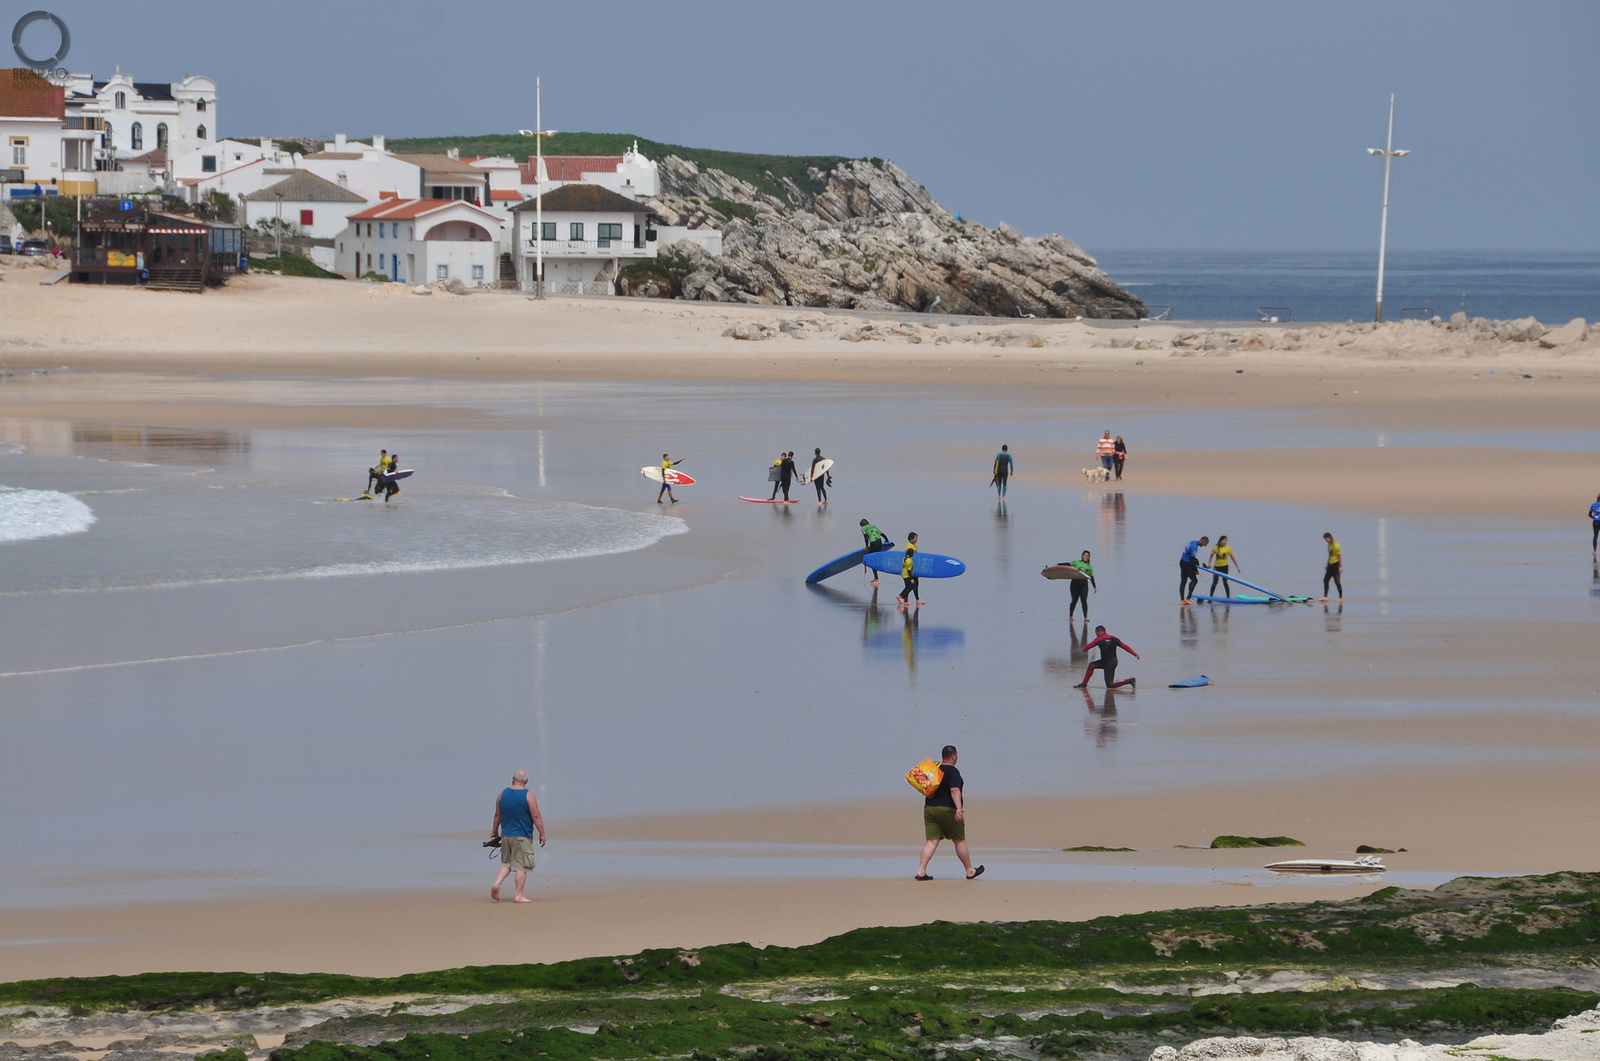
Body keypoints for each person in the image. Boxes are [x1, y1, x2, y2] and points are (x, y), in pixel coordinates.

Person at [914, 745, 983, 881]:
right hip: (947, 809)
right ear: (954, 756)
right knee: (959, 841)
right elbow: (955, 790)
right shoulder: (953, 772)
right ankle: (970, 870)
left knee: (931, 841)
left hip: (930, 809)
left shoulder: (934, 770)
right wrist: (959, 808)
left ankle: (921, 872)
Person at [489, 769, 546, 903]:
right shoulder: (528, 795)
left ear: (513, 779)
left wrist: (494, 831)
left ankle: (497, 883)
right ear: (526, 781)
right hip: (522, 836)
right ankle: (518, 895)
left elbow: (497, 815)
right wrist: (542, 833)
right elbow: (536, 815)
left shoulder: (503, 794)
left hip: (506, 835)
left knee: (507, 863)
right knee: (521, 866)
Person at [1074, 625, 1139, 689]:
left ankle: (1130, 680)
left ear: (1099, 631)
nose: (1096, 635)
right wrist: (1135, 654)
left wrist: (1084, 649)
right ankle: (1083, 684)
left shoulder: (1099, 639)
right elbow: (1125, 647)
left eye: (1096, 633)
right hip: (1110, 661)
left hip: (1109, 663)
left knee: (1110, 685)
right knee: (1092, 665)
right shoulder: (1114, 638)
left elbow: (1086, 647)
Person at [1066, 549, 1096, 620]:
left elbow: (1091, 576)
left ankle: (1085, 617)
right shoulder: (1077, 562)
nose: (1085, 557)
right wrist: (1058, 565)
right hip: (1075, 583)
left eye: (1087, 556)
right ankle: (1071, 615)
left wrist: (1094, 587)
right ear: (1082, 556)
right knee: (1074, 600)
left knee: (1084, 600)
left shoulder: (1089, 566)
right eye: (1084, 555)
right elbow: (1068, 564)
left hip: (1084, 584)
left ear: (1089, 557)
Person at [1179, 535, 1209, 604]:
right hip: (1186, 564)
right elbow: (1192, 561)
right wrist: (1196, 570)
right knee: (1194, 580)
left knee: (1183, 582)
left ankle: (1182, 600)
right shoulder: (1194, 547)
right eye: (1205, 544)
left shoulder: (1193, 542)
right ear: (1203, 541)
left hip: (1182, 562)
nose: (1204, 546)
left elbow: (1192, 559)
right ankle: (1188, 598)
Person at [860, 518, 888, 585]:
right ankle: (876, 578)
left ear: (862, 525)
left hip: (873, 543)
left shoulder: (863, 528)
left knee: (872, 560)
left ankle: (876, 579)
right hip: (879, 543)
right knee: (876, 559)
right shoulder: (874, 526)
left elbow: (866, 537)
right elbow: (882, 534)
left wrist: (866, 546)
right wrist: (887, 541)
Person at [897, 531, 921, 607]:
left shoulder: (913, 546)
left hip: (913, 568)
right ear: (911, 538)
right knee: (912, 585)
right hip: (910, 569)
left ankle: (914, 599)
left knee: (911, 585)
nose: (917, 539)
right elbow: (910, 561)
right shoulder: (909, 547)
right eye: (916, 538)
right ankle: (903, 597)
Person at [1319, 532, 1343, 602]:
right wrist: (1327, 564)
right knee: (1325, 580)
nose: (1326, 541)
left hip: (1336, 564)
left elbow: (1339, 556)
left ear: (1329, 537)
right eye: (1325, 540)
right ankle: (1325, 596)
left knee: (1337, 581)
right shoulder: (1329, 545)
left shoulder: (1336, 545)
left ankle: (1340, 597)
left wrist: (1340, 566)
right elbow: (1330, 555)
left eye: (1326, 539)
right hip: (1330, 565)